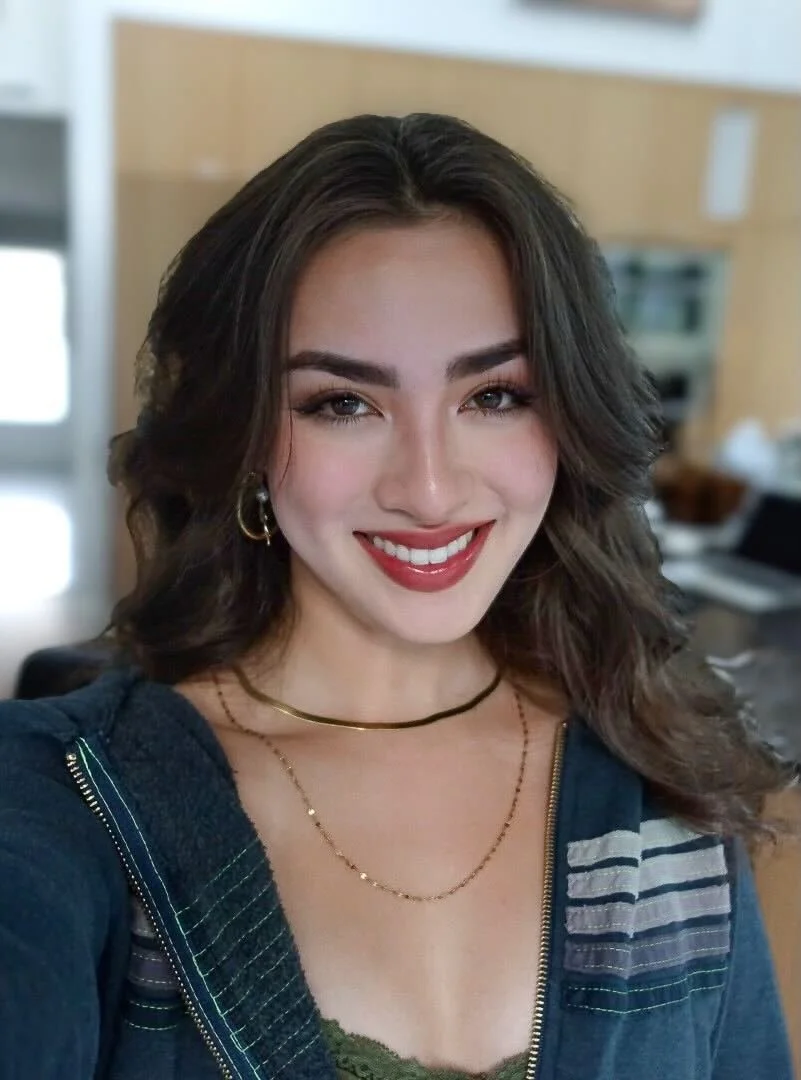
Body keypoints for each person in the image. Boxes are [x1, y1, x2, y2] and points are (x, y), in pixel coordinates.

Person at [0, 113, 794, 1080]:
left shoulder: (659, 770)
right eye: (342, 403)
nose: (426, 489)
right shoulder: (64, 800)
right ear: (244, 437)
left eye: (494, 395)